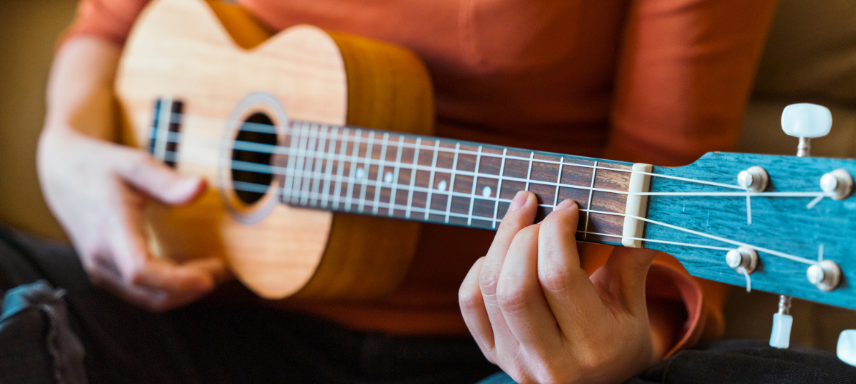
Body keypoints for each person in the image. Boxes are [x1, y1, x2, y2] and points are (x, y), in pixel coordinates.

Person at [7, 0, 780, 382]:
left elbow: (677, 223)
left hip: (488, 350)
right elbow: (106, 28)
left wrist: (622, 348)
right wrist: (65, 150)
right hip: (195, 313)